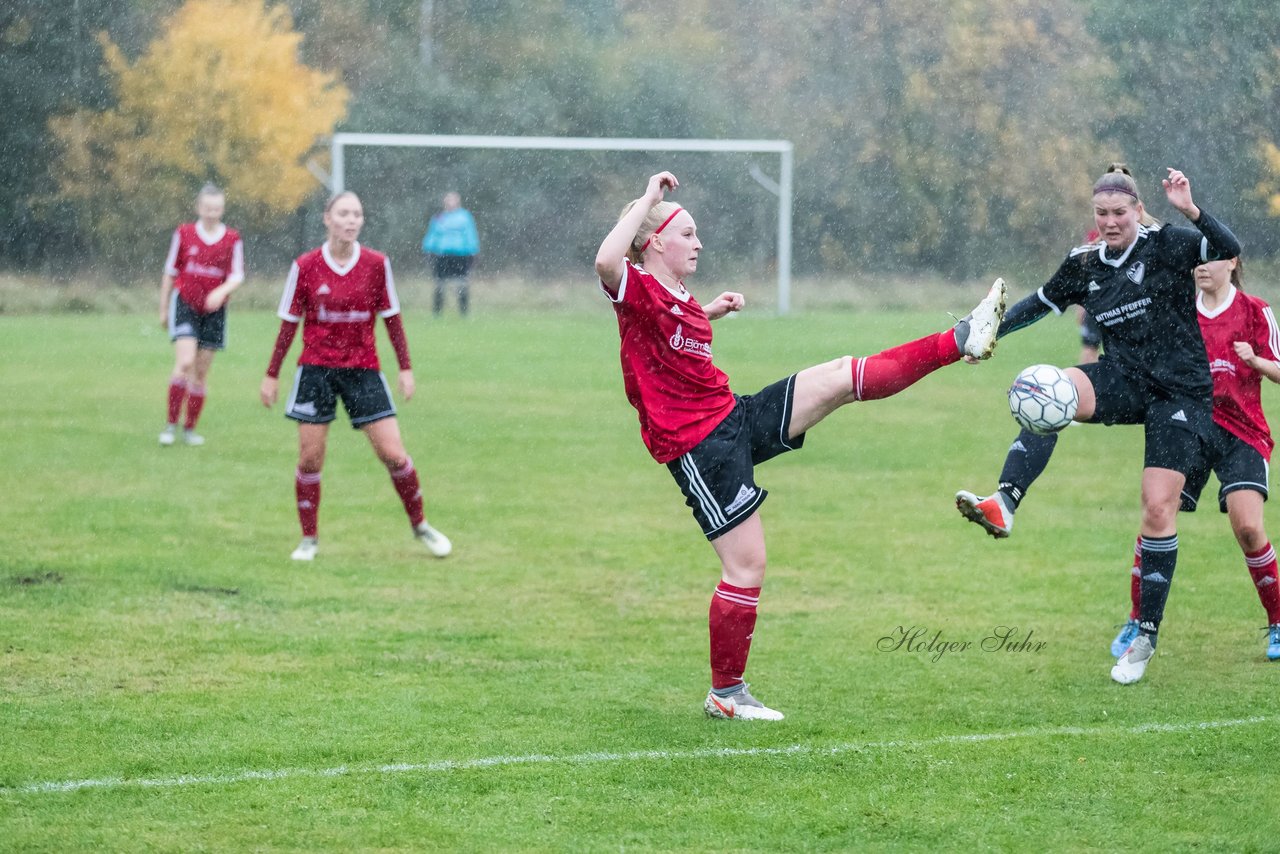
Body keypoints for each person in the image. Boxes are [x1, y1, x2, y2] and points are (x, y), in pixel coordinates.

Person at [595, 171, 1007, 721]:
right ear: (654, 241)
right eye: (687, 233)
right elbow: (605, 263)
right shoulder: (636, 286)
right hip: (701, 449)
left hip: (732, 417)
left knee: (839, 375)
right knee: (747, 567)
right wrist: (648, 198)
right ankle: (726, 694)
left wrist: (708, 312)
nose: (698, 243)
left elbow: (671, 332)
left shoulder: (675, 295)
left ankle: (960, 340)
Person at [953, 164, 1242, 685]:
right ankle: (1005, 502)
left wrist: (1191, 209)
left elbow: (1226, 246)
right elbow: (1040, 304)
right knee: (1045, 390)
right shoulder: (1084, 263)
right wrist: (987, 333)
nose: (1110, 222)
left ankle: (1145, 634)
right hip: (1124, 377)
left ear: (1136, 211)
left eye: (1119, 213)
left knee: (1157, 507)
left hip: (1181, 390)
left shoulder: (1167, 244)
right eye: (1101, 214)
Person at [260, 191, 452, 562]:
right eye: (343, 213)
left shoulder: (377, 265)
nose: (351, 220)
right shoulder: (305, 266)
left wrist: (406, 368)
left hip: (363, 371)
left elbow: (392, 320)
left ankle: (421, 525)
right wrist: (271, 375)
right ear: (327, 218)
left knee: (395, 456)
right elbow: (288, 325)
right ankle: (309, 540)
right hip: (316, 371)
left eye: (357, 214)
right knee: (310, 460)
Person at [1109, 255, 1280, 662]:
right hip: (1187, 426)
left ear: (1233, 261)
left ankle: (1277, 623)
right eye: (1197, 262)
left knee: (1250, 529)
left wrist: (1255, 362)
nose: (1202, 268)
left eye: (1212, 260)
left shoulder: (1255, 310)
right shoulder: (1179, 309)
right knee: (1156, 513)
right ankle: (1137, 619)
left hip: (1242, 433)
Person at [158, 183, 244, 446]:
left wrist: (221, 291)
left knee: (201, 372)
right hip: (185, 304)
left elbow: (238, 274)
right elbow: (170, 272)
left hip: (214, 313)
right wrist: (163, 309)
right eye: (207, 208)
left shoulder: (232, 239)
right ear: (199, 208)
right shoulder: (183, 234)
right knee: (184, 363)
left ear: (222, 209)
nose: (212, 213)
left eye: (217, 209)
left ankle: (189, 429)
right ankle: (170, 426)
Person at [421, 191, 479, 316]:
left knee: (462, 283)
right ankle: (437, 312)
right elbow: (432, 235)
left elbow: (470, 234)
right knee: (439, 284)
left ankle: (464, 312)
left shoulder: (465, 217)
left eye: (453, 200)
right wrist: (427, 249)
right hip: (443, 255)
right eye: (448, 200)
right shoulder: (439, 217)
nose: (451, 203)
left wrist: (473, 251)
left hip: (460, 255)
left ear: (458, 202)